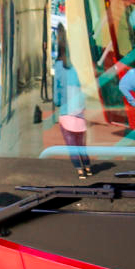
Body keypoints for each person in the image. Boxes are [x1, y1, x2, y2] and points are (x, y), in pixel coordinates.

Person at [53, 26, 92, 176]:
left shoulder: (58, 66)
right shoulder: (73, 67)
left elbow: (57, 91)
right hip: (79, 112)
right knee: (81, 142)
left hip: (66, 111)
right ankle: (87, 166)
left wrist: (57, 102)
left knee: (71, 142)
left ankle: (79, 169)